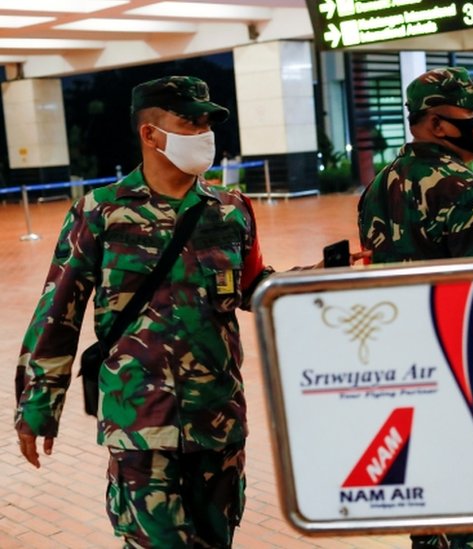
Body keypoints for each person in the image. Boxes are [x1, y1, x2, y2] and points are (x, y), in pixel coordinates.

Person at [14, 76, 274, 547]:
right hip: (140, 425)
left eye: (206, 122)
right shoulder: (101, 212)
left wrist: (321, 281)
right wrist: (37, 406)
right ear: (150, 134)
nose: (203, 133)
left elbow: (256, 286)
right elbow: (58, 313)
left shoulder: (231, 209)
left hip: (218, 421)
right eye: (188, 121)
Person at [357, 66, 473, 549]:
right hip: (460, 379)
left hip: (403, 380)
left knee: (427, 517)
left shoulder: (377, 187)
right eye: (471, 111)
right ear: (438, 123)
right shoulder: (464, 191)